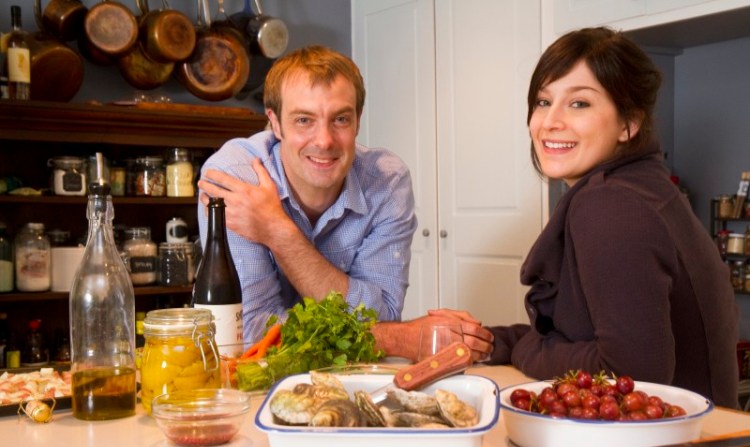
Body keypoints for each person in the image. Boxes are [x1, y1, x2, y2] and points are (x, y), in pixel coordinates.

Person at [373, 27, 740, 408]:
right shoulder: (640, 188)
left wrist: (525, 350)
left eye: (579, 103)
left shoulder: (613, 205)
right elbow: (585, 339)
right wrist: (494, 342)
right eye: (543, 101)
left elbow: (632, 371)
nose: (550, 122)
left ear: (629, 122)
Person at [197, 45, 417, 344]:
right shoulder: (235, 176)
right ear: (275, 123)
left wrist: (278, 232)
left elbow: (385, 316)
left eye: (341, 119)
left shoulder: (386, 182)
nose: (324, 141)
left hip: (357, 374)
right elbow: (249, 331)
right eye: (304, 120)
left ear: (358, 120)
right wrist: (371, 333)